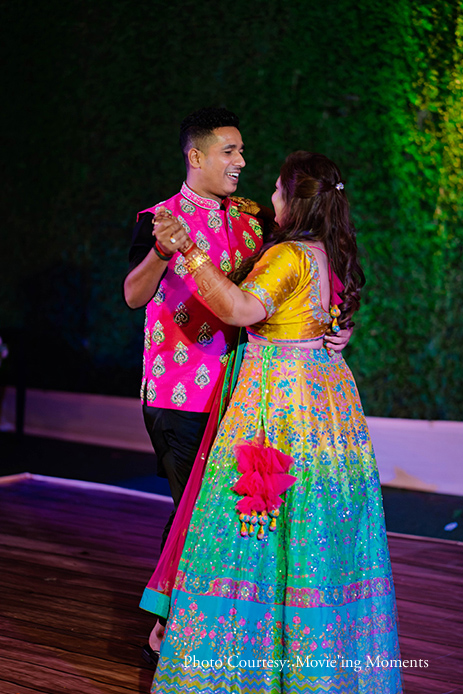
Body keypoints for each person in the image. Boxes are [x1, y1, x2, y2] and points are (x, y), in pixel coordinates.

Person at [141, 151, 402, 693]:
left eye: (280, 190)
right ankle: (306, 661)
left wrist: (190, 252)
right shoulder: (327, 250)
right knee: (309, 532)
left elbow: (239, 310)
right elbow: (324, 313)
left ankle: (242, 665)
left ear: (297, 200)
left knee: (249, 528)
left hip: (277, 405)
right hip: (325, 406)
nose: (272, 197)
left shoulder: (288, 254)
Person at [124, 109, 351, 552]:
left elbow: (309, 276)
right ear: (196, 157)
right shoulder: (160, 218)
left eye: (241, 151)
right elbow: (133, 295)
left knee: (227, 516)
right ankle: (171, 598)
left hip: (245, 399)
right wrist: (161, 252)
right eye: (229, 151)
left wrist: (338, 326)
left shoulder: (256, 218)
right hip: (183, 394)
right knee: (194, 514)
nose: (242, 161)